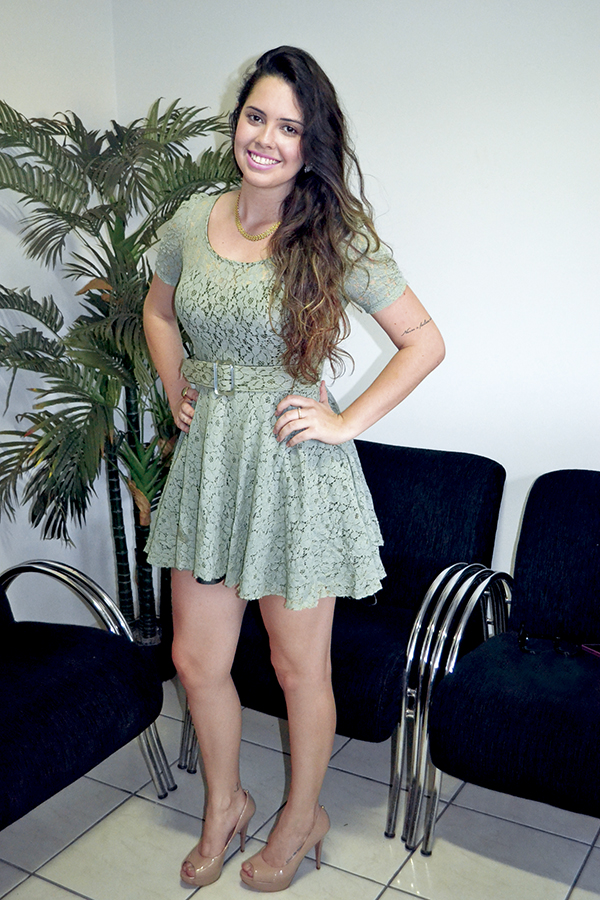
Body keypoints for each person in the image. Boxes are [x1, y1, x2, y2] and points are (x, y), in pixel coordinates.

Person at [143, 46, 445, 892]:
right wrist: (174, 386)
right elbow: (159, 312)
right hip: (211, 466)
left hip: (293, 469)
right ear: (236, 119)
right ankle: (226, 804)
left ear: (311, 145)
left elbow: (424, 341)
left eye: (289, 127)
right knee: (198, 661)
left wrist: (344, 421)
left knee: (296, 668)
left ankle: (302, 814)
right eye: (256, 117)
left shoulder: (333, 235)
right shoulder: (191, 220)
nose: (266, 139)